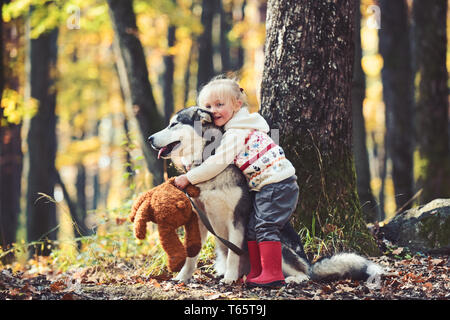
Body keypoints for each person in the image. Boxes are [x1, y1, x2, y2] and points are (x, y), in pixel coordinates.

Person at [174, 76, 299, 288]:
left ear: (237, 104)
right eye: (208, 106)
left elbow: (217, 162)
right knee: (252, 228)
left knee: (265, 226)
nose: (213, 110)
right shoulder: (238, 126)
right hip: (265, 185)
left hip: (278, 184)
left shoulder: (236, 132)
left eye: (220, 104)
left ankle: (273, 273)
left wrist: (189, 177)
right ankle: (256, 271)